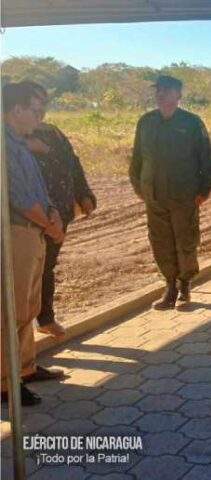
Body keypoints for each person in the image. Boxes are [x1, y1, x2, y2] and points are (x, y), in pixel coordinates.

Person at [2, 82, 67, 406]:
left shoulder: (19, 143)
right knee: (10, 311)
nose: (40, 115)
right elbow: (20, 198)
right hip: (16, 233)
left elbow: (37, 189)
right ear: (16, 110)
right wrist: (50, 225)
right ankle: (5, 382)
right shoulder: (4, 144)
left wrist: (52, 214)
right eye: (35, 109)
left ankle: (24, 368)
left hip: (32, 232)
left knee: (27, 307)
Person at [130, 75, 211, 310]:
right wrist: (139, 186)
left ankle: (185, 283)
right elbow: (137, 158)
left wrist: (204, 190)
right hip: (154, 195)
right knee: (160, 242)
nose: (161, 94)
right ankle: (169, 286)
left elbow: (207, 160)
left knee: (185, 241)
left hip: (184, 194)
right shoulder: (146, 122)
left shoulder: (191, 123)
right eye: (158, 90)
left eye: (166, 90)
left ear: (178, 95)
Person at [20, 81, 97, 338]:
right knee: (24, 278)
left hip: (59, 214)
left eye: (43, 103)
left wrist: (84, 194)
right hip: (29, 219)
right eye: (34, 104)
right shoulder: (13, 139)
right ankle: (20, 343)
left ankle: (44, 319)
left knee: (47, 268)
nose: (40, 110)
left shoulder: (54, 132)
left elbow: (72, 163)